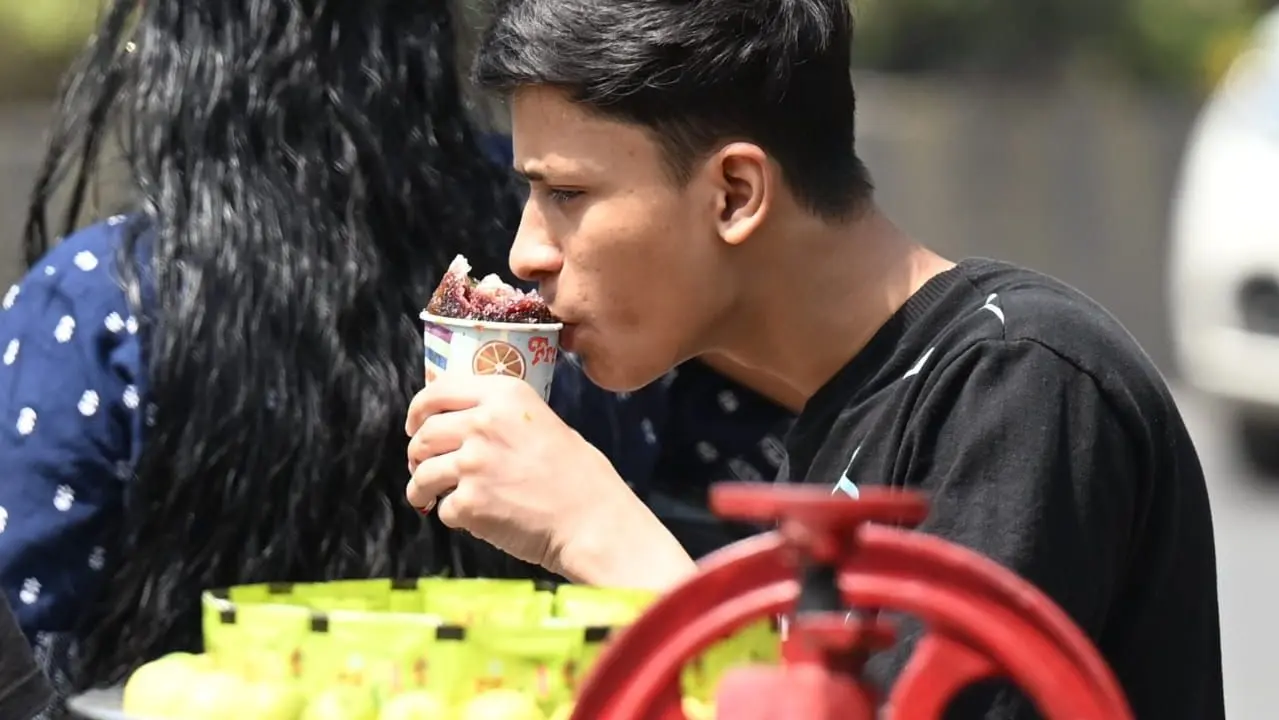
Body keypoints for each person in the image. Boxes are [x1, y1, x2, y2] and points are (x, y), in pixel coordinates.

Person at [403, 0, 1226, 717]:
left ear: (735, 194)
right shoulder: (844, 405)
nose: (525, 251)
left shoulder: (1022, 382)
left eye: (567, 196)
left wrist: (594, 530)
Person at [0, 0, 794, 711]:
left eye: (562, 195)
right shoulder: (600, 251)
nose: (529, 254)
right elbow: (770, 528)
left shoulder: (102, 301)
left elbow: (27, 644)